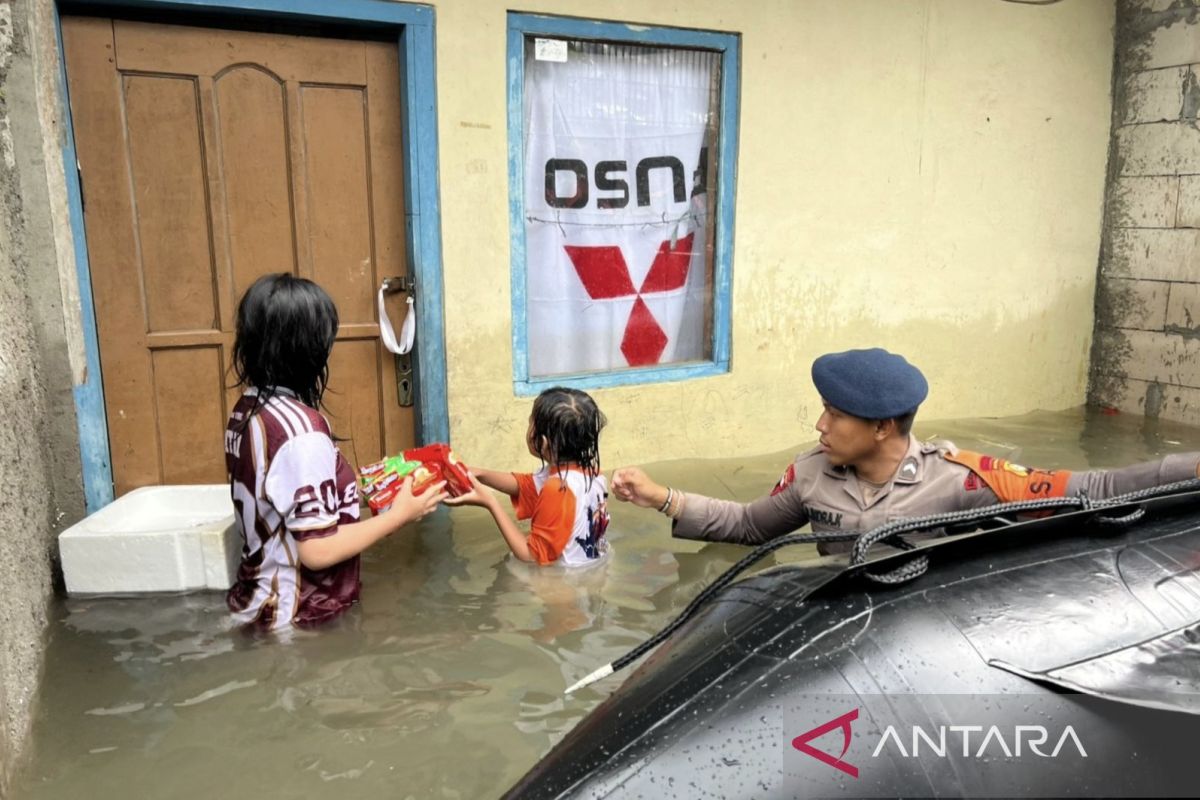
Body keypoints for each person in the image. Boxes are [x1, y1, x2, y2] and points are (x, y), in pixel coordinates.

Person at [611, 347, 1200, 555]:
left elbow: (1091, 491)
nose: (819, 425)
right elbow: (746, 526)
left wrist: (1189, 469)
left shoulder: (965, 479)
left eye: (835, 414)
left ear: (881, 426)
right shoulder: (812, 476)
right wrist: (661, 497)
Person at [224, 273, 446, 630]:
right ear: (306, 348)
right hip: (298, 618)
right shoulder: (300, 432)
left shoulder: (249, 409)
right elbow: (318, 551)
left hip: (258, 603)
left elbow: (285, 499)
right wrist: (398, 516)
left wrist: (374, 488)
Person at [447, 387, 611, 566]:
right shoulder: (591, 473)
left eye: (530, 422)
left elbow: (529, 555)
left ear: (543, 442)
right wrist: (479, 474)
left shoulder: (558, 488)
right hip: (594, 566)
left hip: (563, 583)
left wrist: (490, 503)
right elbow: (526, 485)